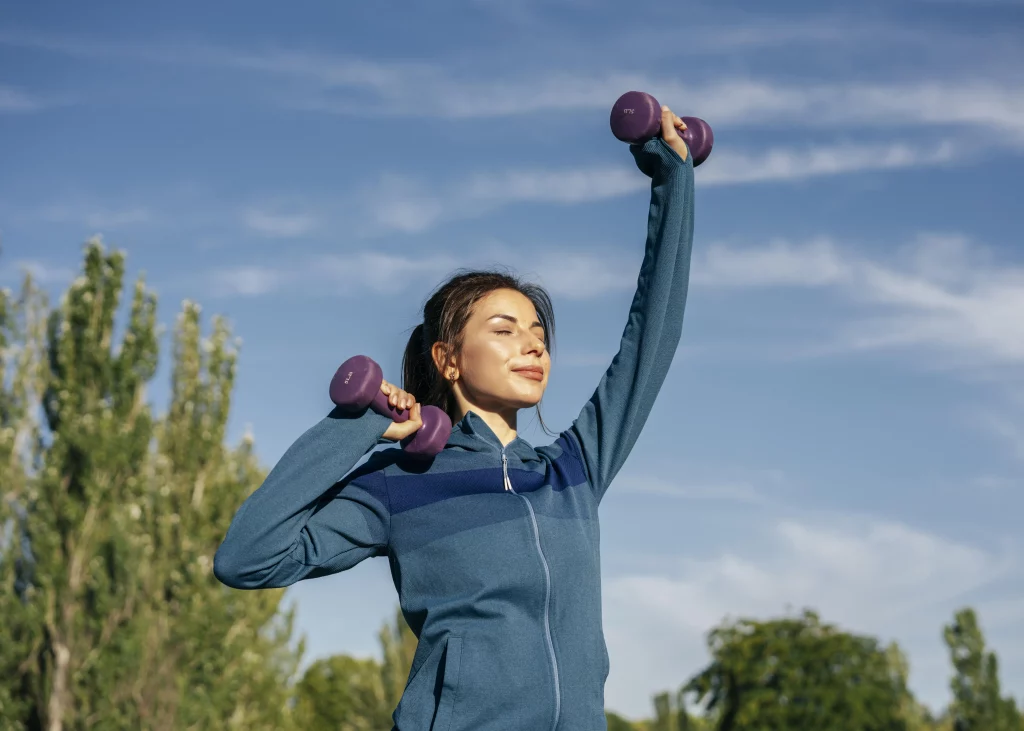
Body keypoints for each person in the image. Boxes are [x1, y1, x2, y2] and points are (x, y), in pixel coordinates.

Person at [214, 105, 696, 731]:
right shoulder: (401, 482)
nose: (533, 345)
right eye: (505, 329)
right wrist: (355, 426)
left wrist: (673, 180)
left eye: (538, 333)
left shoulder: (572, 471)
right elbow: (247, 559)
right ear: (447, 359)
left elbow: (650, 340)